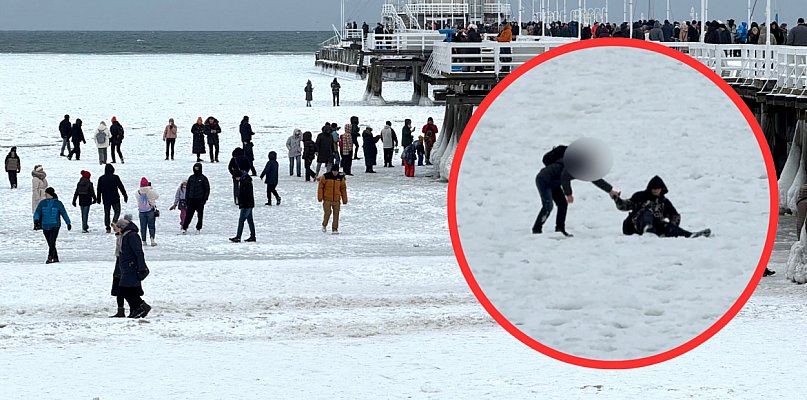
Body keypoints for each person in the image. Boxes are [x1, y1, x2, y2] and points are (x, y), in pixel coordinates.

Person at [531, 145, 619, 236]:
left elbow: (595, 179)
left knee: (562, 204)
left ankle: (560, 229)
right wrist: (568, 194)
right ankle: (537, 229)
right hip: (544, 180)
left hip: (554, 183)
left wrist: (610, 191)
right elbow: (564, 177)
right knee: (548, 206)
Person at [613, 176, 711, 239]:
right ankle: (647, 229)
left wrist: (672, 226)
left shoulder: (664, 202)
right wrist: (617, 199)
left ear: (661, 189)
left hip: (656, 226)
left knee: (665, 225)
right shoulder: (640, 196)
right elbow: (625, 206)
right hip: (635, 226)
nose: (655, 190)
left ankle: (690, 236)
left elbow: (675, 215)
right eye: (653, 188)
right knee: (647, 213)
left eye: (658, 188)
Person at [115, 215, 151, 318]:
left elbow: (138, 252)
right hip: (126, 267)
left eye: (118, 227)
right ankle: (137, 308)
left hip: (131, 266)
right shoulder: (125, 235)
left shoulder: (131, 236)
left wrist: (141, 266)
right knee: (129, 290)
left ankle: (141, 306)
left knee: (124, 289)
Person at [33, 187, 71, 264]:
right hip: (45, 225)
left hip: (55, 225)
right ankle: (56, 257)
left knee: (52, 241)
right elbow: (37, 212)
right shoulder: (42, 203)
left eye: (46, 193)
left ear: (50, 194)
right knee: (50, 243)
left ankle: (50, 257)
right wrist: (36, 220)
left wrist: (68, 222)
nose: (45, 195)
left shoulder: (58, 203)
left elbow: (64, 213)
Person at [96, 163, 128, 234]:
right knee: (117, 211)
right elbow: (121, 187)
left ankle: (107, 227)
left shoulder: (101, 178)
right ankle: (114, 221)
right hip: (115, 198)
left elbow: (99, 189)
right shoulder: (115, 177)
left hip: (106, 198)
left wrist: (98, 199)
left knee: (107, 213)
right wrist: (125, 195)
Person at [317, 164, 348, 234]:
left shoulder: (340, 178)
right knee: (327, 213)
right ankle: (324, 225)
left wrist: (344, 199)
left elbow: (343, 189)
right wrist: (320, 197)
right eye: (334, 171)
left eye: (336, 171)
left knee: (336, 214)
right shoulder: (325, 176)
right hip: (327, 199)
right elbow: (320, 187)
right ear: (332, 170)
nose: (335, 172)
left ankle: (335, 229)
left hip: (337, 200)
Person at [181, 163, 210, 234]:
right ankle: (185, 227)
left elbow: (207, 189)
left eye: (197, 168)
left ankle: (198, 228)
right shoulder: (191, 178)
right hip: (191, 199)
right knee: (188, 214)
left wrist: (204, 199)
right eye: (195, 168)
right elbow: (188, 189)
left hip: (200, 200)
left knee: (200, 215)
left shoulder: (203, 178)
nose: (196, 170)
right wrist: (187, 199)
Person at [230, 170, 256, 243]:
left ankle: (238, 237)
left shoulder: (245, 182)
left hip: (246, 205)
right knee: (250, 220)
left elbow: (244, 195)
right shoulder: (245, 180)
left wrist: (242, 204)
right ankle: (253, 236)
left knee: (241, 220)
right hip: (249, 204)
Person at [108, 220, 127, 317]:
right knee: (118, 285)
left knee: (122, 286)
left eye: (116, 228)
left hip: (122, 262)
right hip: (119, 261)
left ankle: (122, 309)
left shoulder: (125, 237)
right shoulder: (120, 236)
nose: (114, 230)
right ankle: (120, 309)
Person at [136, 177, 159, 246]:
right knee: (151, 226)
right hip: (150, 210)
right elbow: (157, 196)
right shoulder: (150, 191)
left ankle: (144, 241)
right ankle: (152, 240)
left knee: (143, 226)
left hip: (141, 211)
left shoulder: (138, 192)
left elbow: (137, 199)